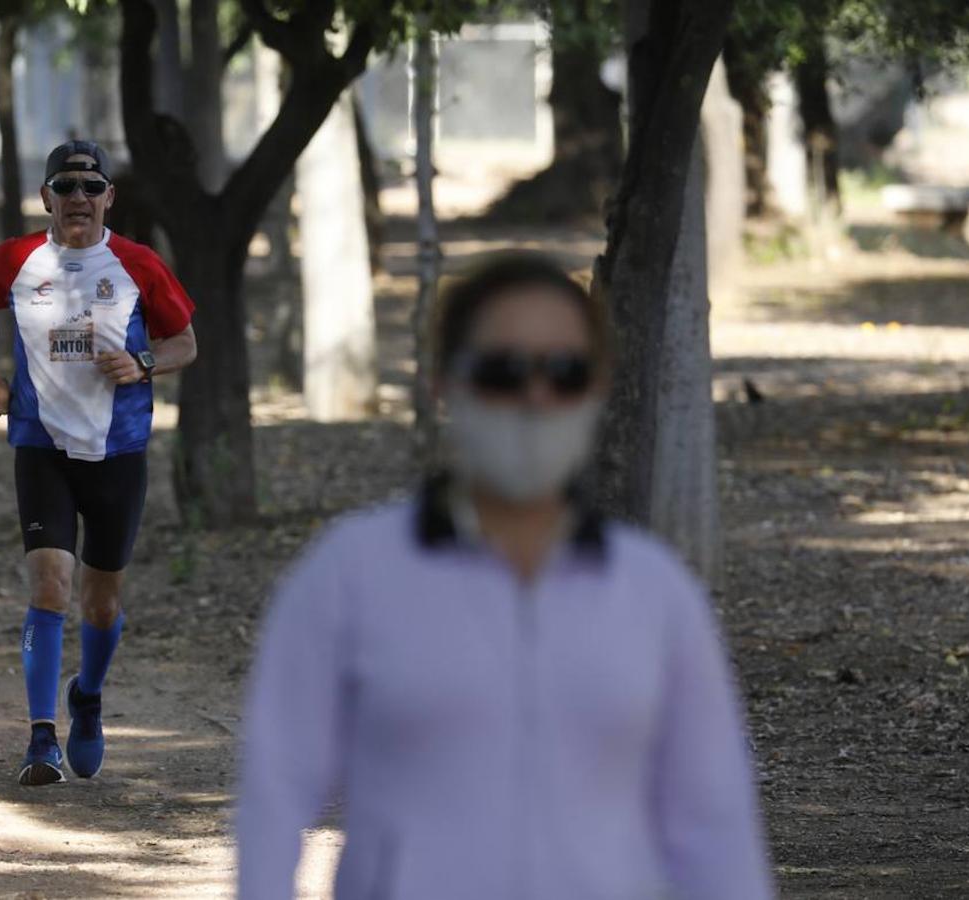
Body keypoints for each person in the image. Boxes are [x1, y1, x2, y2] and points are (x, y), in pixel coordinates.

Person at [235, 253, 773, 899]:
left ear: (597, 388)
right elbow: (275, 795)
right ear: (443, 382)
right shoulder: (349, 574)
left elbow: (713, 825)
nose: (534, 398)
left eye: (565, 372)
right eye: (501, 372)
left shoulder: (654, 592)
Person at [0, 140, 198, 787]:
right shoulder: (15, 261)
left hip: (117, 450)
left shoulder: (137, 264)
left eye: (90, 187)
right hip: (39, 444)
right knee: (48, 587)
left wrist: (143, 362)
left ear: (108, 197)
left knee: (100, 604)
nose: (77, 198)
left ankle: (87, 696)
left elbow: (184, 341)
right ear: (45, 197)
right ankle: (41, 740)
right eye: (64, 187)